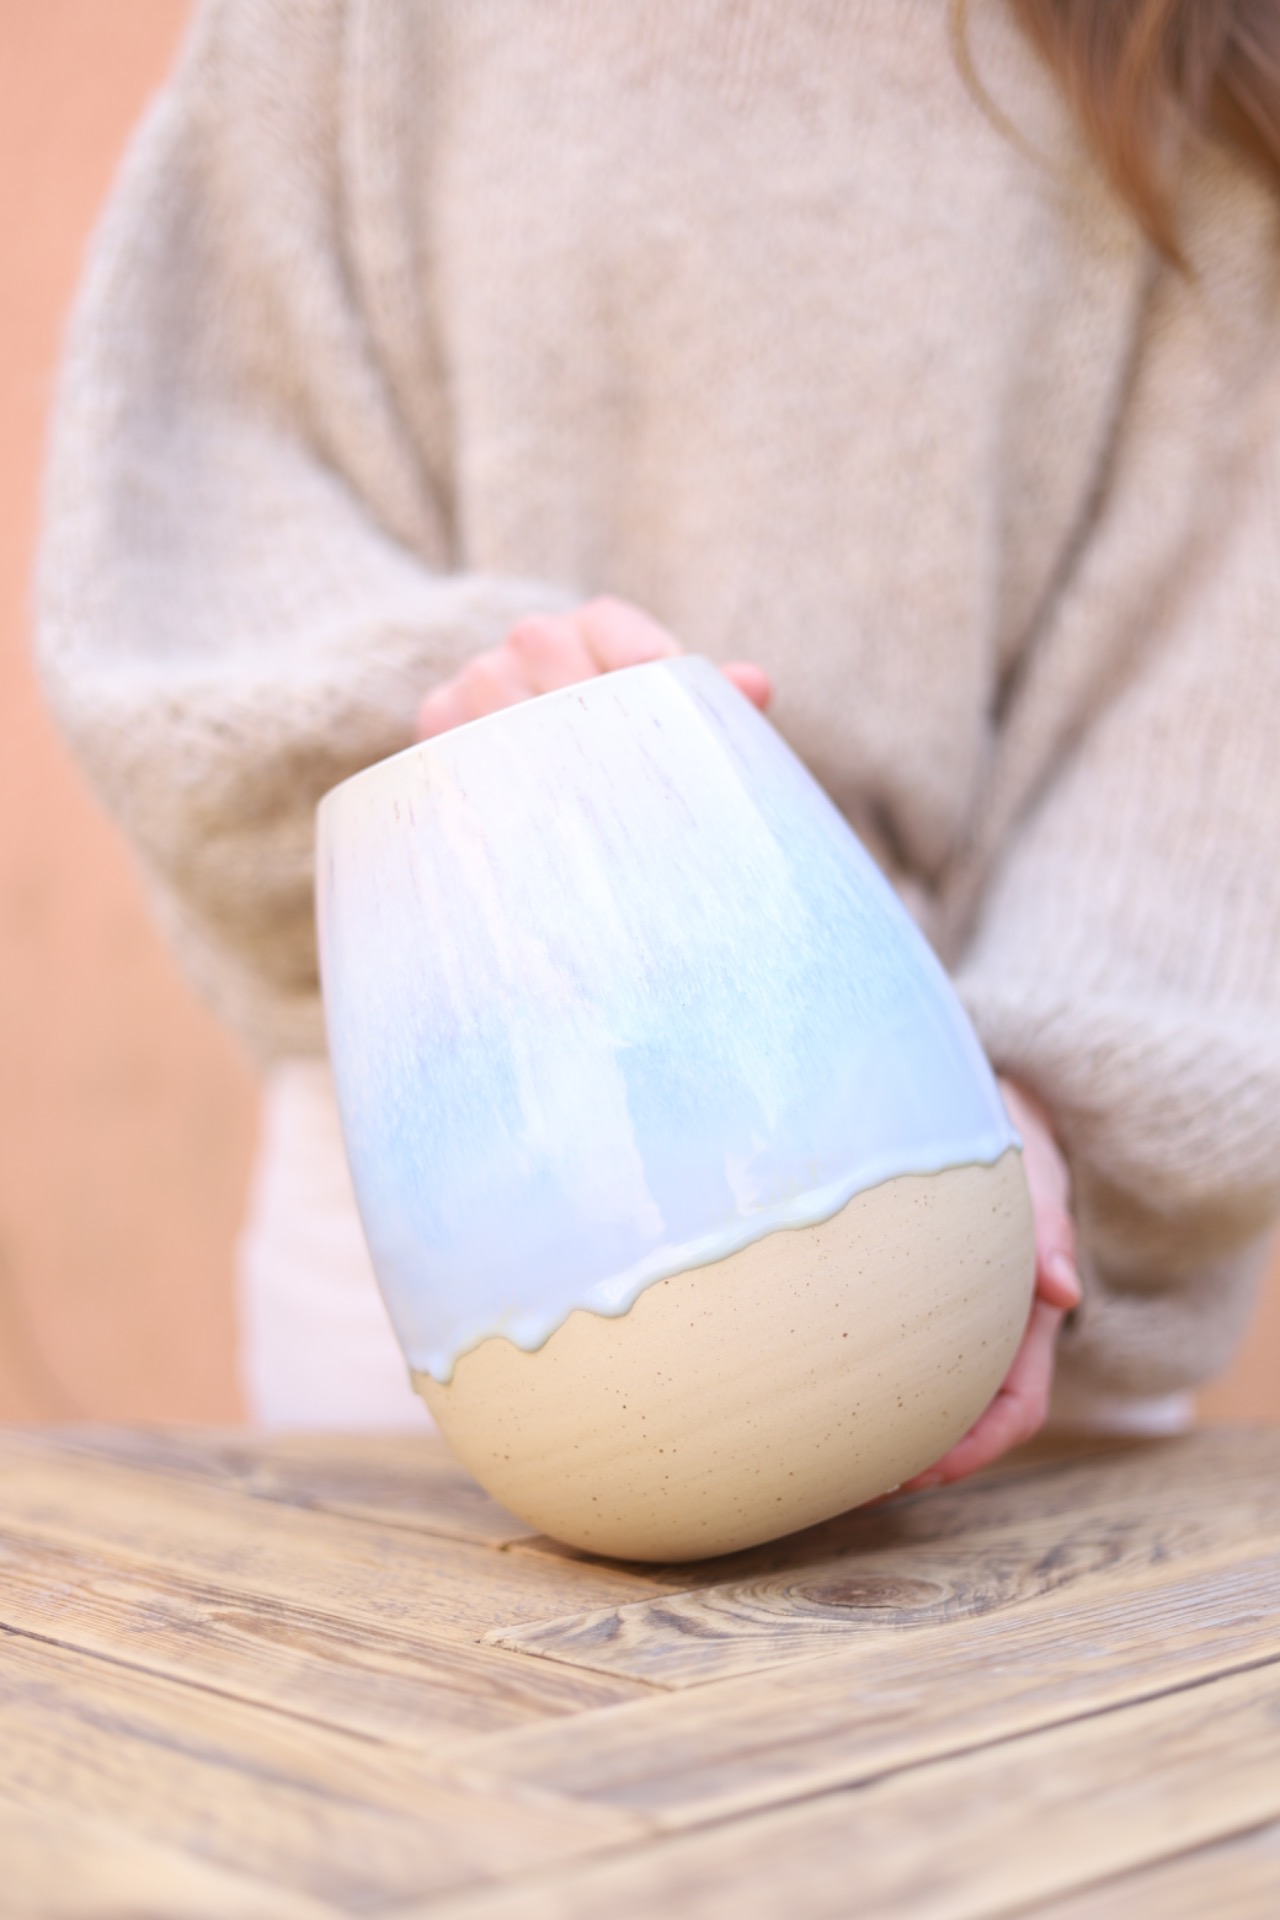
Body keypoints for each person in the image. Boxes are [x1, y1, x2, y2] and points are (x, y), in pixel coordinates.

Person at [36, 0, 1280, 1480]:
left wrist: (1048, 1103)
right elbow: (194, 497)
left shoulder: (1196, 42)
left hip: (996, 1239)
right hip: (491, 1204)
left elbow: (1226, 678)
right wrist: (522, 732)